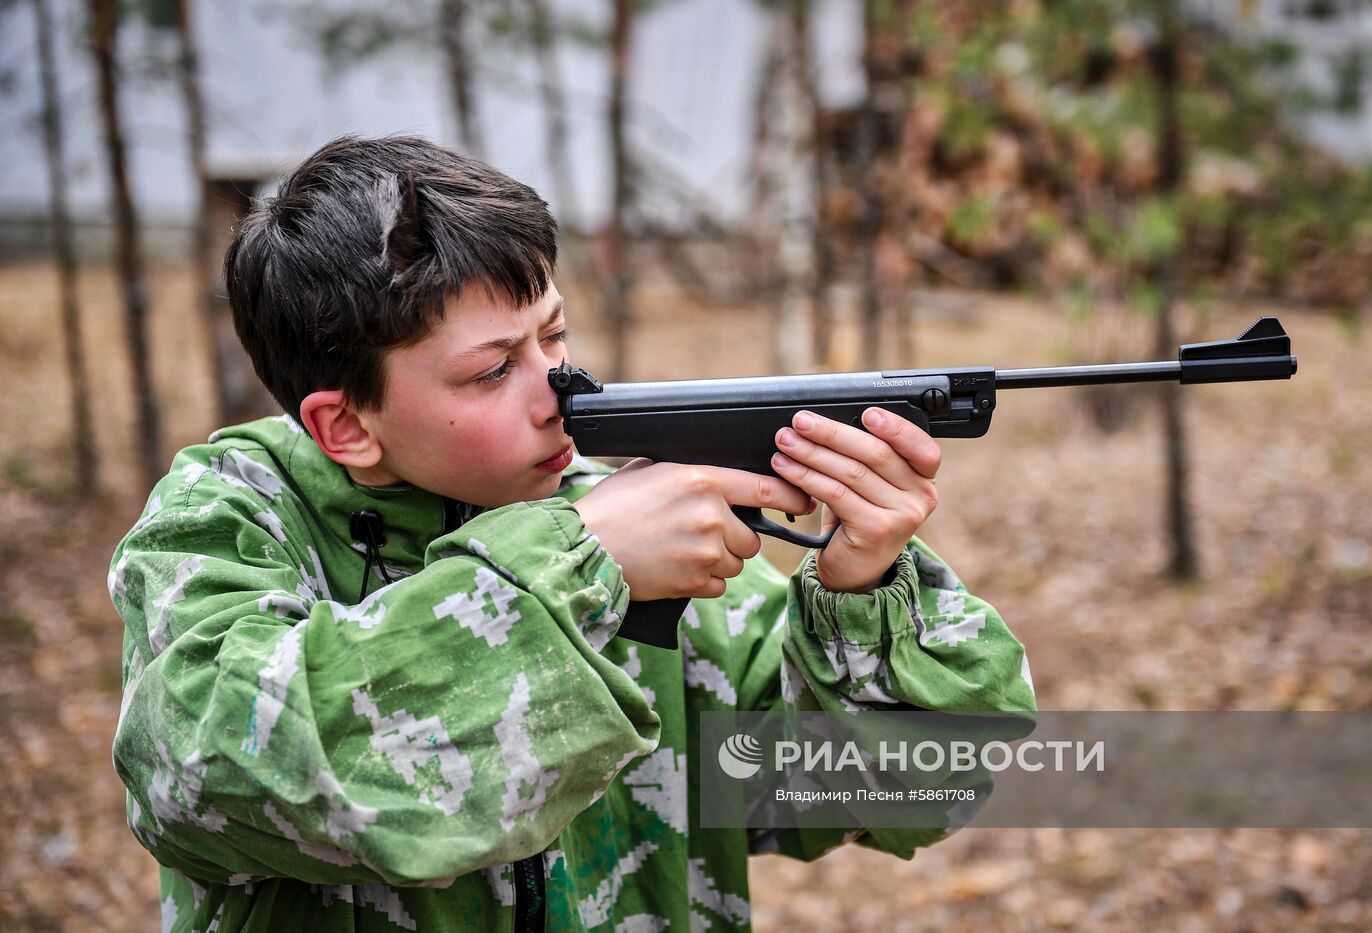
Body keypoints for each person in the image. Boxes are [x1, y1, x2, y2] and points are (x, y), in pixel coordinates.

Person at [109, 135, 1035, 931]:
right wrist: (576, 562)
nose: (556, 385)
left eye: (553, 336)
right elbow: (209, 772)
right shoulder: (233, 518)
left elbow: (911, 788)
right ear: (346, 424)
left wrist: (861, 595)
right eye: (491, 370)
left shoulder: (616, 518)